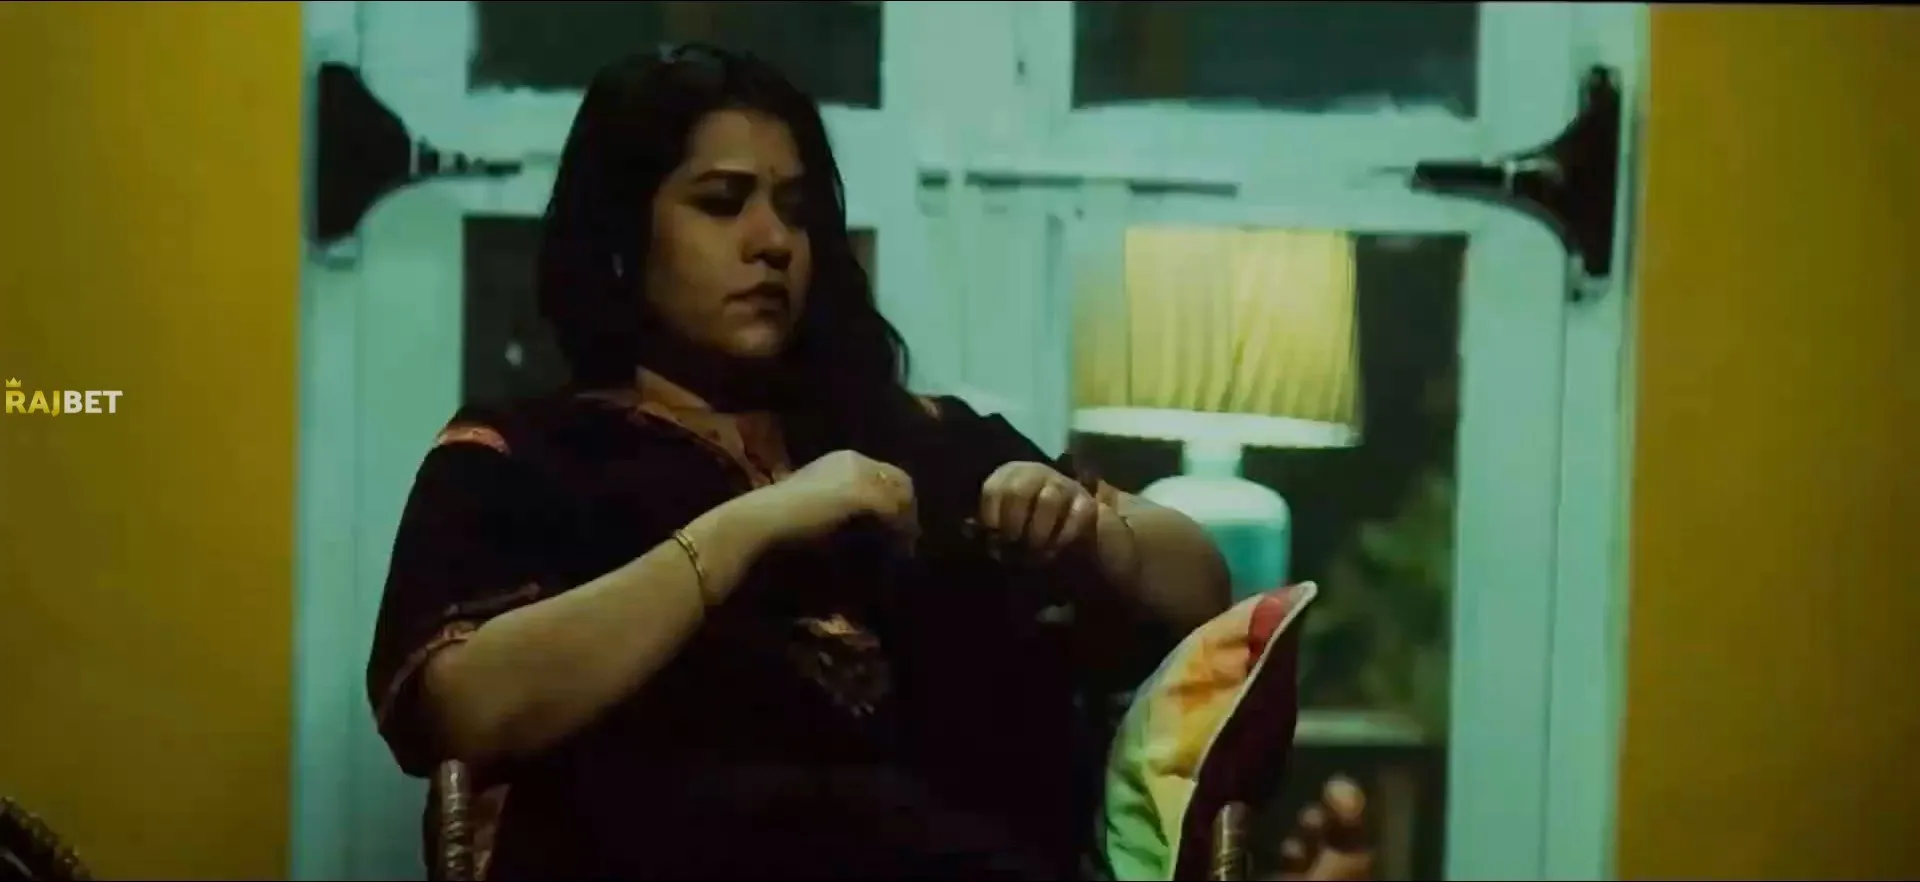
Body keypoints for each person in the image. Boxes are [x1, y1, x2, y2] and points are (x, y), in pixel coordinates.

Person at [365, 43, 1342, 880]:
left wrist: (1090, 533)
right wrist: (752, 525)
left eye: (795, 210)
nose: (772, 242)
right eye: (722, 203)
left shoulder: (916, 433)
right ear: (620, 234)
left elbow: (1198, 584)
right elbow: (461, 709)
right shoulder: (526, 454)